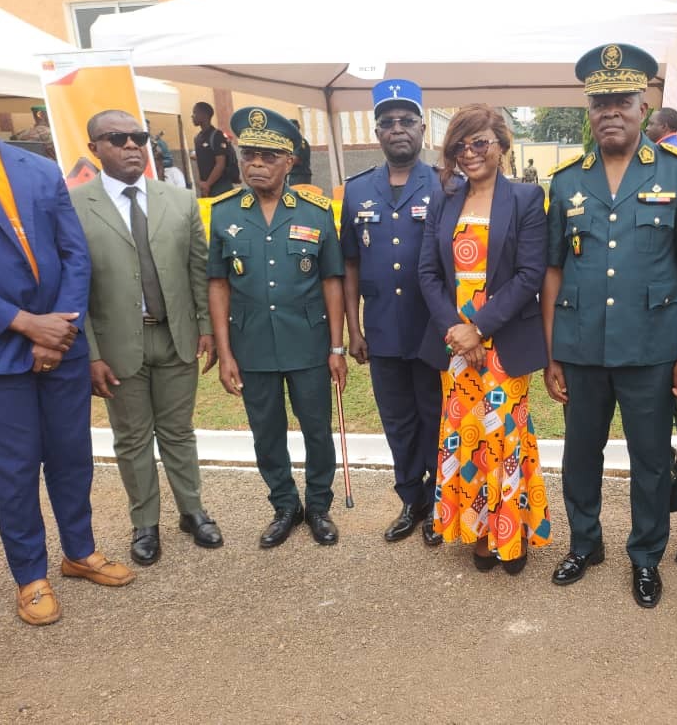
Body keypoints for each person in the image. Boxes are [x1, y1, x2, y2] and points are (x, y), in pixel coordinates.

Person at [541, 43, 677, 608]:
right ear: (588, 111)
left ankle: (645, 557)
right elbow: (552, 271)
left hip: (650, 348)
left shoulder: (676, 172)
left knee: (650, 458)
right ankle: (585, 543)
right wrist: (551, 352)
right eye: (600, 102)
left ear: (644, 106)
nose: (610, 111)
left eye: (622, 100)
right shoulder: (566, 181)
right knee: (580, 454)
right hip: (583, 345)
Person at [0, 59, 134, 626]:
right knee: (15, 469)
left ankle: (79, 552)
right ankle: (31, 576)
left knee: (71, 457)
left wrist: (59, 327)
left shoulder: (39, 169)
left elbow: (75, 253)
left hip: (60, 346)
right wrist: (23, 323)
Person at [70, 109, 223, 567]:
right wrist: (91, 353)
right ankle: (145, 523)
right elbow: (75, 286)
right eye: (117, 138)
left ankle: (192, 512)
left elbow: (199, 269)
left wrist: (205, 328)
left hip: (176, 339)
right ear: (94, 147)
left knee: (179, 432)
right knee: (133, 438)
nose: (132, 146)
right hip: (117, 347)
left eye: (138, 137)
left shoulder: (177, 200)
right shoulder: (76, 205)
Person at [418, 103, 552, 574]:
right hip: (456, 345)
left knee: (505, 440)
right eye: (461, 145)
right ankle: (476, 532)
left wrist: (481, 328)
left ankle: (510, 535)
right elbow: (428, 273)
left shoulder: (526, 200)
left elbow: (529, 274)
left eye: (480, 143)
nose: (470, 153)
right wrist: (458, 331)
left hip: (503, 344)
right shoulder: (444, 200)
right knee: (466, 438)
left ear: (501, 145)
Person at [208, 106, 347, 549]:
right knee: (265, 432)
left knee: (316, 429)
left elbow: (332, 282)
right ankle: (285, 505)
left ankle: (319, 505)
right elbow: (218, 284)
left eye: (269, 155)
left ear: (289, 161)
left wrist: (337, 347)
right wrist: (226, 354)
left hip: (308, 342)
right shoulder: (224, 213)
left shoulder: (316, 212)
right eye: (249, 154)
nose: (257, 163)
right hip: (252, 347)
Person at [341, 79, 442, 545]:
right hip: (382, 330)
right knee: (396, 418)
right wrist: (352, 328)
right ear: (377, 133)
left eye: (406, 121)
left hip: (432, 330)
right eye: (388, 123)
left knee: (434, 414)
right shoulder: (358, 190)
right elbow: (350, 263)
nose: (397, 129)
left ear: (422, 128)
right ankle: (411, 498)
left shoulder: (444, 184)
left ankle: (440, 500)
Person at [192, 101, 237, 198]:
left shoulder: (217, 135)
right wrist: (203, 184)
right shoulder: (197, 138)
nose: (192, 116)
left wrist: (207, 184)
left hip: (221, 187)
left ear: (204, 115)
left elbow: (220, 164)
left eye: (195, 113)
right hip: (206, 188)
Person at [287, 119, 313, 186]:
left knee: (297, 195)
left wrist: (283, 159)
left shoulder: (300, 142)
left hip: (300, 177)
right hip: (295, 175)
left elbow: (296, 160)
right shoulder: (295, 141)